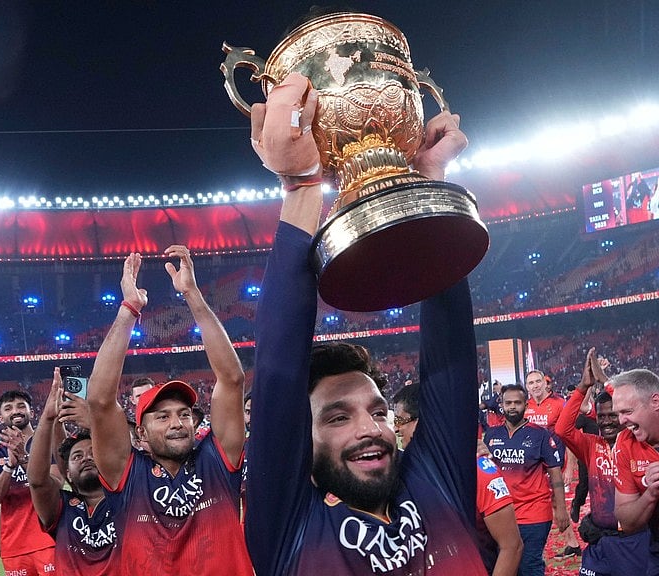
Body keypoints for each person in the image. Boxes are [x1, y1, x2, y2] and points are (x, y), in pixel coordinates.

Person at [244, 71, 486, 575]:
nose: (370, 429)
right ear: (301, 438)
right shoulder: (289, 527)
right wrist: (303, 187)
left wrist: (422, 185)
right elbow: (278, 373)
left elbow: (450, 364)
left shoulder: (436, 480)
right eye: (337, 417)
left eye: (378, 412)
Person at [88, 248, 252, 575]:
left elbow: (232, 379)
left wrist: (192, 294)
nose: (177, 423)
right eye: (162, 417)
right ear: (141, 432)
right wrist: (129, 309)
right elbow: (100, 401)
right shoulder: (126, 474)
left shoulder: (217, 462)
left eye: (184, 413)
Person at [393, 384, 522, 576]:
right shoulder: (400, 470)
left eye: (400, 420)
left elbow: (512, 546)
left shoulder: (477, 470)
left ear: (423, 423)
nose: (396, 428)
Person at [558, 348, 651, 576]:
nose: (607, 422)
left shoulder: (637, 442)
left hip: (633, 541)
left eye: (613, 415)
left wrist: (606, 382)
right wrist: (583, 387)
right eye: (602, 416)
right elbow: (562, 429)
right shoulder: (591, 445)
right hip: (599, 540)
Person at [29, 368, 123, 575]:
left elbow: (123, 454)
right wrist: (48, 418)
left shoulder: (129, 498)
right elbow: (37, 482)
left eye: (93, 453)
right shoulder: (61, 508)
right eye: (77, 457)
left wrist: (93, 421)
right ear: (67, 474)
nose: (87, 457)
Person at [484, 385, 569, 576]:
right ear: (502, 404)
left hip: (533, 512)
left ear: (526, 404)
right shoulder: (491, 435)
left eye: (517, 402)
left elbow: (555, 472)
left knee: (528, 567)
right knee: (504, 566)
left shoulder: (540, 434)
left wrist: (561, 509)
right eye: (508, 403)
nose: (512, 407)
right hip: (501, 513)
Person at [0, 390, 56, 575]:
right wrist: (9, 467)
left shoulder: (48, 445)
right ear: (0, 417)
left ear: (32, 412)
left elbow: (54, 484)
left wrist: (23, 457)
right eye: (8, 408)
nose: (15, 411)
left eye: (21, 406)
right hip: (14, 547)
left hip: (49, 540)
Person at [523, 369, 581, 559]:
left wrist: (570, 466)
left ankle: (572, 544)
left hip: (555, 462)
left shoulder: (559, 403)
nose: (535, 386)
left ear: (545, 383)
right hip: (531, 466)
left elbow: (569, 435)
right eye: (531, 383)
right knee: (533, 503)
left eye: (538, 381)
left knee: (557, 503)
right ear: (527, 387)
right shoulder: (525, 405)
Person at [611, 368, 659, 564]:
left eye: (627, 412)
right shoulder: (624, 443)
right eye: (619, 413)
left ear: (655, 402)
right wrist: (650, 494)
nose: (621, 421)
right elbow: (626, 521)